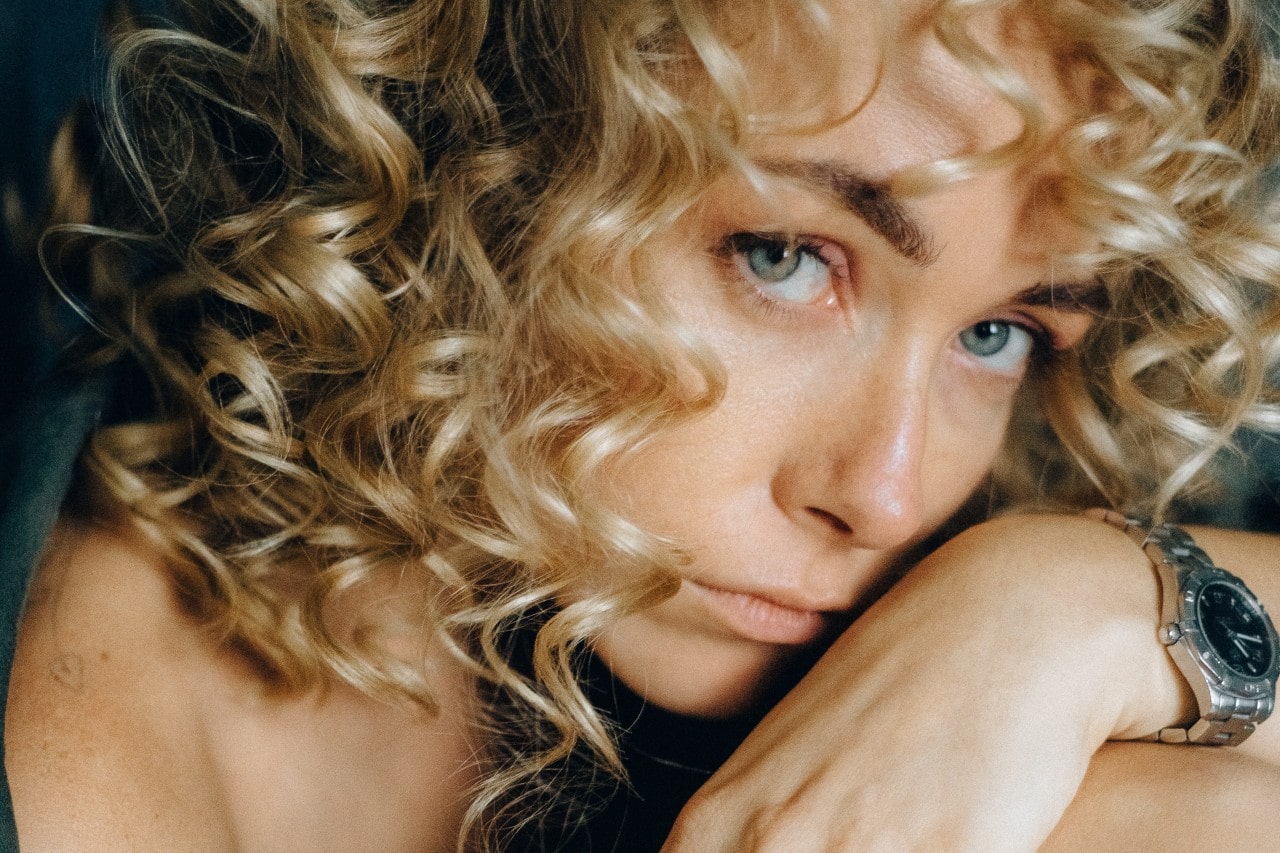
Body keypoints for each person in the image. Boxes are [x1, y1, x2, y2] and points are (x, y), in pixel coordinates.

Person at [5, 0, 1280, 849]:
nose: (886, 493)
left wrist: (1068, 608)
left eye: (1000, 335)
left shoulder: (612, 620)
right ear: (480, 126)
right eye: (783, 257)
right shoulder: (64, 761)